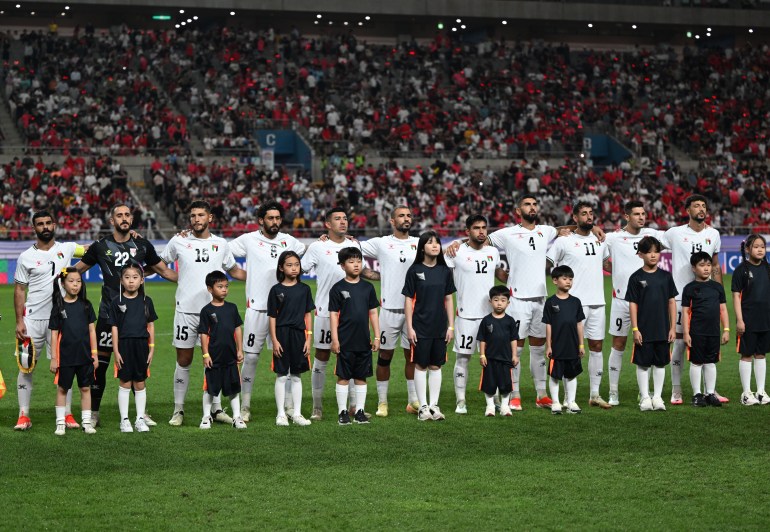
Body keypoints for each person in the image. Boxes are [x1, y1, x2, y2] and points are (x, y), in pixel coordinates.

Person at [75, 203, 177, 428]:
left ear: (132, 219)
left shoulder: (142, 244)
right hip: (107, 316)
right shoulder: (100, 246)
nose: (124, 218)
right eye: (119, 215)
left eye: (127, 215)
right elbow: (77, 270)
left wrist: (189, 281)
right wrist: (55, 275)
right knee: (99, 365)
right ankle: (94, 412)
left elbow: (163, 270)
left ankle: (141, 414)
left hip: (135, 317)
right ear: (112, 221)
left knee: (134, 365)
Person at [163, 200, 246, 427]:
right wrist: (177, 278)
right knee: (184, 360)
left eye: (201, 215)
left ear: (210, 218)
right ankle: (178, 410)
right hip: (186, 312)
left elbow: (234, 270)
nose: (196, 219)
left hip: (214, 314)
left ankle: (217, 409)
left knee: (216, 361)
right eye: (193, 216)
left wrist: (261, 277)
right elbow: (159, 264)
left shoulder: (221, 244)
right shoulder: (179, 240)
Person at [229, 201, 306, 422]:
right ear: (261, 220)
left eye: (278, 218)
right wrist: (246, 276)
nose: (275, 222)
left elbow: (304, 255)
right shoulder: (248, 240)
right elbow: (223, 254)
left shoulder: (289, 241)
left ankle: (290, 406)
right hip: (257, 310)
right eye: (270, 218)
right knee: (251, 358)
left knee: (287, 359)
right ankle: (245, 405)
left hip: (284, 314)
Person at [14, 210, 87, 431]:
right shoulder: (25, 257)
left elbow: (93, 251)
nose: (45, 227)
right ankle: (23, 415)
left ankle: (67, 414)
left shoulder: (68, 248)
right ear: (34, 228)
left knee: (66, 366)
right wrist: (19, 321)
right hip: (33, 320)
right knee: (26, 366)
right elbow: (19, 290)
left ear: (54, 225)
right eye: (40, 224)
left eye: (48, 223)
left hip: (61, 318)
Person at [546, 202, 611, 409]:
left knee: (597, 347)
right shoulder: (564, 241)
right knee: (569, 350)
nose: (589, 216)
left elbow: (608, 265)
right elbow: (548, 264)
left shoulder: (601, 241)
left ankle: (594, 394)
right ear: (575, 218)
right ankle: (568, 398)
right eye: (584, 214)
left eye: (591, 213)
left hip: (598, 302)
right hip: (571, 305)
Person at [661, 195, 724, 405]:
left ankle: (709, 391)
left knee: (708, 344)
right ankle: (676, 390)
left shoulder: (714, 234)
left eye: (704, 206)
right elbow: (651, 240)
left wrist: (719, 291)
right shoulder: (675, 233)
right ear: (688, 210)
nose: (701, 209)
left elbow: (715, 265)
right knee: (679, 343)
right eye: (696, 205)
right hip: (681, 298)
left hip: (707, 300)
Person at [303, 208, 364, 420]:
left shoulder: (354, 245)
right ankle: (317, 406)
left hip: (351, 314)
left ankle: (355, 406)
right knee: (322, 357)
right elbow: (299, 269)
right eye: (337, 219)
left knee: (354, 357)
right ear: (328, 224)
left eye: (345, 218)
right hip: (323, 311)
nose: (343, 221)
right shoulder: (318, 247)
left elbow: (360, 273)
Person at [603, 201, 665, 406]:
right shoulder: (612, 238)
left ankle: (644, 393)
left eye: (643, 213)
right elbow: (602, 260)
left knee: (646, 345)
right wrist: (618, 272)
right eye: (636, 214)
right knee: (618, 344)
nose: (641, 217)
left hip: (647, 304)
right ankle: (613, 391)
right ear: (626, 216)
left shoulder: (651, 235)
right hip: (621, 300)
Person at [360, 206, 419, 417]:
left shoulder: (420, 243)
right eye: (401, 216)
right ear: (392, 221)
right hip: (389, 311)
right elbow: (352, 248)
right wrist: (374, 275)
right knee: (384, 356)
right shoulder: (381, 243)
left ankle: (414, 401)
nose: (406, 218)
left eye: (409, 215)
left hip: (414, 311)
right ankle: (382, 402)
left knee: (412, 357)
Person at [444, 214, 501, 414]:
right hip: (466, 316)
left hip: (490, 316)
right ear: (467, 231)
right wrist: (455, 242)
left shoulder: (494, 252)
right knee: (463, 359)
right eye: (476, 228)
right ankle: (461, 400)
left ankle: (493, 399)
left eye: (484, 227)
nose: (481, 231)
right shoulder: (455, 252)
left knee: (493, 359)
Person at [403, 231, 456, 422]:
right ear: (422, 247)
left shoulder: (444, 270)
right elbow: (408, 300)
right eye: (430, 242)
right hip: (420, 327)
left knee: (436, 365)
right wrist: (409, 327)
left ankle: (434, 406)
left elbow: (449, 299)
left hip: (440, 327)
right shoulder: (414, 270)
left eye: (437, 243)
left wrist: (451, 327)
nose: (435, 246)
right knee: (421, 365)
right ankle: (422, 407)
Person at [329, 247, 380, 425]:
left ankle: (359, 411)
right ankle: (342, 412)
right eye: (351, 261)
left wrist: (377, 337)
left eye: (358, 261)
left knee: (361, 376)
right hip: (344, 341)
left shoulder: (368, 287)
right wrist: (335, 339)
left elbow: (373, 313)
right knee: (343, 376)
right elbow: (334, 315)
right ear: (342, 266)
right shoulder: (337, 288)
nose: (356, 264)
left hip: (363, 340)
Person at [626, 237, 678, 412]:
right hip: (643, 329)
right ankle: (645, 397)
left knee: (661, 363)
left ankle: (657, 397)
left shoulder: (665, 276)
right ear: (640, 254)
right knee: (643, 364)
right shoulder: (636, 278)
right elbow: (632, 304)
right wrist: (635, 329)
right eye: (648, 252)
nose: (653, 255)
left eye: (656, 251)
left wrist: (672, 328)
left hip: (663, 329)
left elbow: (672, 302)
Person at [108, 264, 158, 433]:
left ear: (142, 280)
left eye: (135, 277)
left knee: (140, 382)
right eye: (127, 277)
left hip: (142, 346)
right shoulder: (116, 302)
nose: (131, 281)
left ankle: (139, 419)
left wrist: (151, 348)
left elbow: (150, 325)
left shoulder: (147, 301)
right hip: (124, 346)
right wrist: (116, 350)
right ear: (121, 280)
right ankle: (124, 420)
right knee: (125, 382)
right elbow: (114, 327)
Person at [48, 268, 98, 435]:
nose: (75, 284)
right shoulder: (58, 307)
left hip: (84, 356)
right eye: (71, 281)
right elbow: (54, 335)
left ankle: (86, 422)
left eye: (78, 281)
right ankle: (60, 423)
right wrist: (54, 358)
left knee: (85, 388)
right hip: (65, 357)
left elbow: (92, 331)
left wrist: (95, 354)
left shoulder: (86, 305)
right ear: (63, 283)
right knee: (63, 389)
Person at [268, 251, 315, 426]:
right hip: (281, 334)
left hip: (299, 335)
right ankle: (280, 414)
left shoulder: (305, 289)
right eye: (289, 265)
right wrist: (274, 340)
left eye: (296, 264)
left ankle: (297, 413)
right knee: (281, 375)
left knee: (296, 376)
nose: (294, 268)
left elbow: (308, 315)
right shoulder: (276, 290)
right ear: (281, 267)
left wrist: (308, 338)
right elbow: (272, 317)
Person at [198, 270, 247, 430]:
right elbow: (204, 334)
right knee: (210, 388)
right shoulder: (206, 310)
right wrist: (205, 354)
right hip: (214, 357)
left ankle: (237, 417)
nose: (224, 289)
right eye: (220, 286)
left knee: (233, 388)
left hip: (231, 357)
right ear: (210, 289)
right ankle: (206, 417)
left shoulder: (232, 308)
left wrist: (240, 349)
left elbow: (237, 329)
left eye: (226, 286)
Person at [682, 252, 729, 407]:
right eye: (702, 265)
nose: (707, 268)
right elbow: (685, 312)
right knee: (696, 362)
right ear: (694, 268)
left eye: (708, 265)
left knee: (711, 362)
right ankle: (697, 394)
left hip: (713, 332)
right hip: (696, 332)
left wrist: (726, 329)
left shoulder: (717, 287)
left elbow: (723, 309)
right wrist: (686, 333)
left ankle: (710, 393)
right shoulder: (689, 288)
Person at [731, 234, 770, 405]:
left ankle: (761, 391)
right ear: (747, 249)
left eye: (763, 246)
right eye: (756, 246)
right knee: (747, 354)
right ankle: (746, 393)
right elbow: (736, 297)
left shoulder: (768, 268)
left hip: (765, 320)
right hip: (748, 321)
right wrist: (740, 320)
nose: (760, 249)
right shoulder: (741, 270)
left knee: (761, 355)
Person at [543, 265, 585, 415]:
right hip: (557, 346)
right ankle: (555, 402)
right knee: (555, 374)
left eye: (570, 279)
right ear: (555, 280)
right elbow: (548, 325)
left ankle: (571, 402)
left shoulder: (576, 302)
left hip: (572, 346)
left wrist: (581, 344)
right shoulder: (550, 302)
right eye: (565, 278)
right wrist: (549, 345)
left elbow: (579, 324)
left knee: (571, 374)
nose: (568, 281)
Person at [477, 285, 519, 417]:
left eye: (503, 300)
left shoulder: (510, 321)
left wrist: (514, 355)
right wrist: (482, 355)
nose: (499, 303)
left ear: (508, 302)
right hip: (490, 359)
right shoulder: (486, 320)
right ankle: (490, 407)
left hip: (506, 359)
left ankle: (505, 407)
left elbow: (513, 339)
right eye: (496, 300)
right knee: (489, 383)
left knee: (506, 384)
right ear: (490, 301)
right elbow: (482, 339)